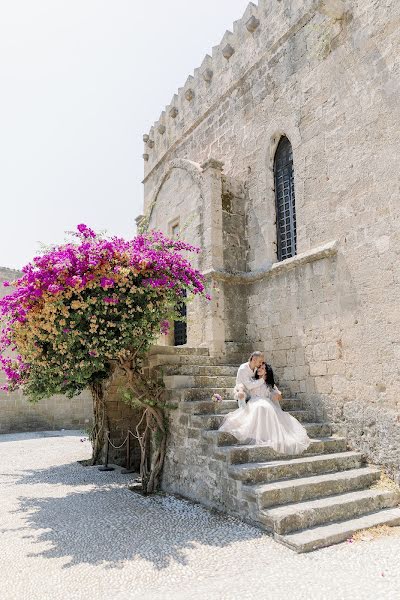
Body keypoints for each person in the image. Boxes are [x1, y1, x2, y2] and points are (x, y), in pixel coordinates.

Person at [219, 361, 311, 455]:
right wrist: (241, 391)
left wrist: (278, 395)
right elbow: (241, 386)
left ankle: (267, 435)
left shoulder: (269, 384)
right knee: (259, 407)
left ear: (266, 372)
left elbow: (277, 395)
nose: (259, 369)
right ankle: (257, 434)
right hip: (254, 402)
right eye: (259, 368)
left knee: (265, 407)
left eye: (262, 368)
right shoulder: (252, 381)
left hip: (266, 403)